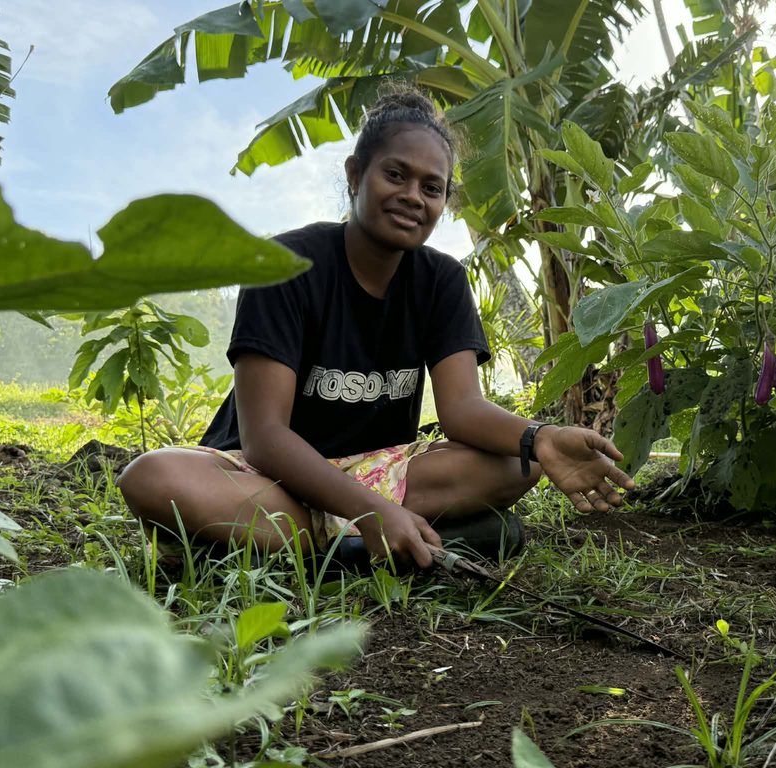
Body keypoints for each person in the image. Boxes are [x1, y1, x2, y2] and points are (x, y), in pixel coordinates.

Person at [117, 87, 635, 571]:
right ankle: (379, 542)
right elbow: (265, 438)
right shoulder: (283, 264)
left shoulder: (442, 281)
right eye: (396, 175)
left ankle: (276, 547)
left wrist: (539, 436)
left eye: (432, 188)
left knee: (518, 465)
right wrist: (369, 512)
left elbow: (461, 410)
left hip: (375, 472)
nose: (414, 196)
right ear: (355, 174)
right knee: (152, 476)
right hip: (265, 474)